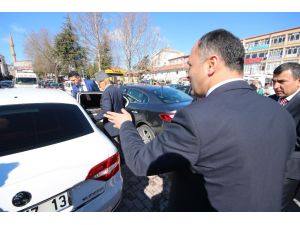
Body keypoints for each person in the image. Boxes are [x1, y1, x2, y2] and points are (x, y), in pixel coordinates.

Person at [104, 29, 296, 211]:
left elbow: (141, 161)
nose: (187, 75)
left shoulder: (195, 118)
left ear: (211, 64)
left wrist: (126, 124)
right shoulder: (281, 114)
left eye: (190, 65)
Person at [269, 62, 300, 211]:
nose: (275, 86)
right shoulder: (270, 100)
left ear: (298, 81)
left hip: (289, 168)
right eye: (274, 81)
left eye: (281, 82)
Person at [94, 71, 125, 142]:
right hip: (120, 124)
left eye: (99, 83)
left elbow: (106, 111)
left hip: (111, 127)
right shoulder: (117, 89)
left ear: (104, 81)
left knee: (114, 148)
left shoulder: (106, 92)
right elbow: (121, 103)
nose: (99, 86)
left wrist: (94, 119)